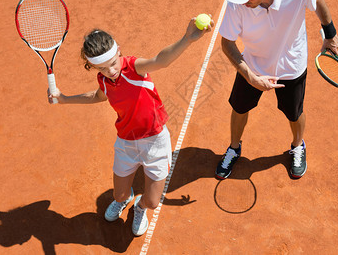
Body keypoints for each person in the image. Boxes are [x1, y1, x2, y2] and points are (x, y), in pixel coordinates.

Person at [48, 16, 214, 236]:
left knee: (153, 202)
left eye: (113, 63)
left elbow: (161, 60)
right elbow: (98, 96)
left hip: (155, 141)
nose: (111, 71)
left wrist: (187, 39)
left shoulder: (135, 67)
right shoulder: (104, 80)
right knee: (118, 195)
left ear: (119, 52)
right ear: (93, 67)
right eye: (102, 68)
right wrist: (64, 98)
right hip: (126, 143)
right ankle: (125, 198)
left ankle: (140, 207)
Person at [215, 0, 338, 179]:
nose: (244, 1)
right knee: (239, 108)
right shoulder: (238, 3)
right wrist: (251, 77)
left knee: (294, 112)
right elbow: (227, 43)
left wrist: (329, 33)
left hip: (291, 65)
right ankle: (234, 148)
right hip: (253, 64)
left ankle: (298, 146)